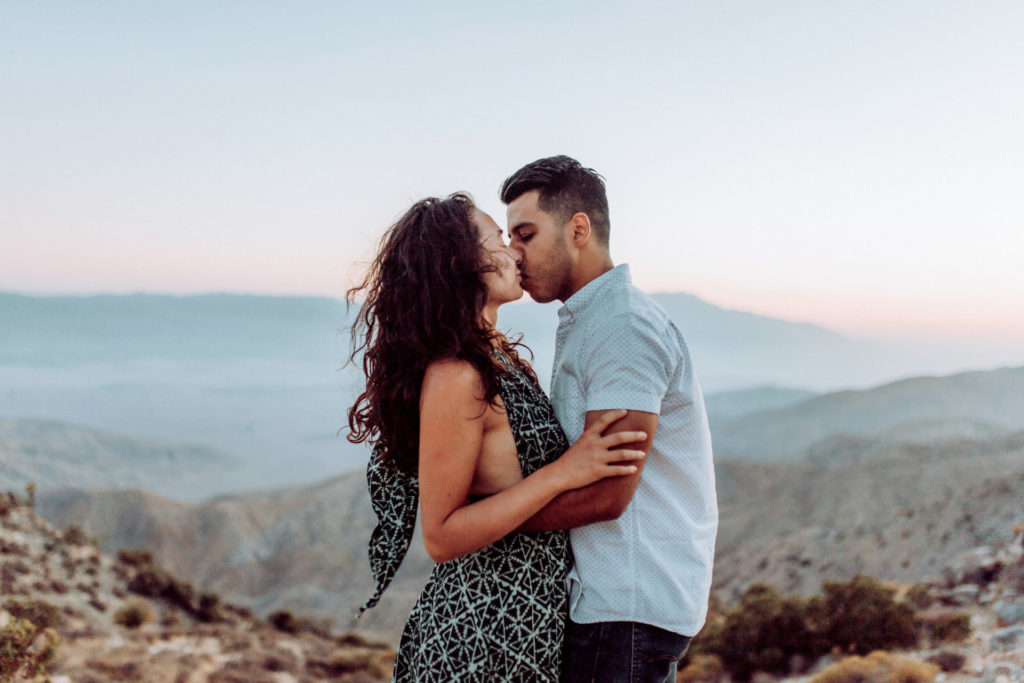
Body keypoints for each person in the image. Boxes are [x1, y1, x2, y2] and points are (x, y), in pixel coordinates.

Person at [347, 192, 648, 682]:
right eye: (497, 240)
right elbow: (441, 536)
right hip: (479, 631)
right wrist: (562, 474)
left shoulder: (500, 359)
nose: (513, 253)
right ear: (458, 263)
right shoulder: (457, 376)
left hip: (526, 622)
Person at [500, 156, 719, 683]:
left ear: (579, 228)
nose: (514, 254)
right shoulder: (595, 316)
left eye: (526, 235)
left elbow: (607, 494)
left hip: (626, 606)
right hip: (619, 604)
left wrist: (492, 519)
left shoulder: (620, 324)